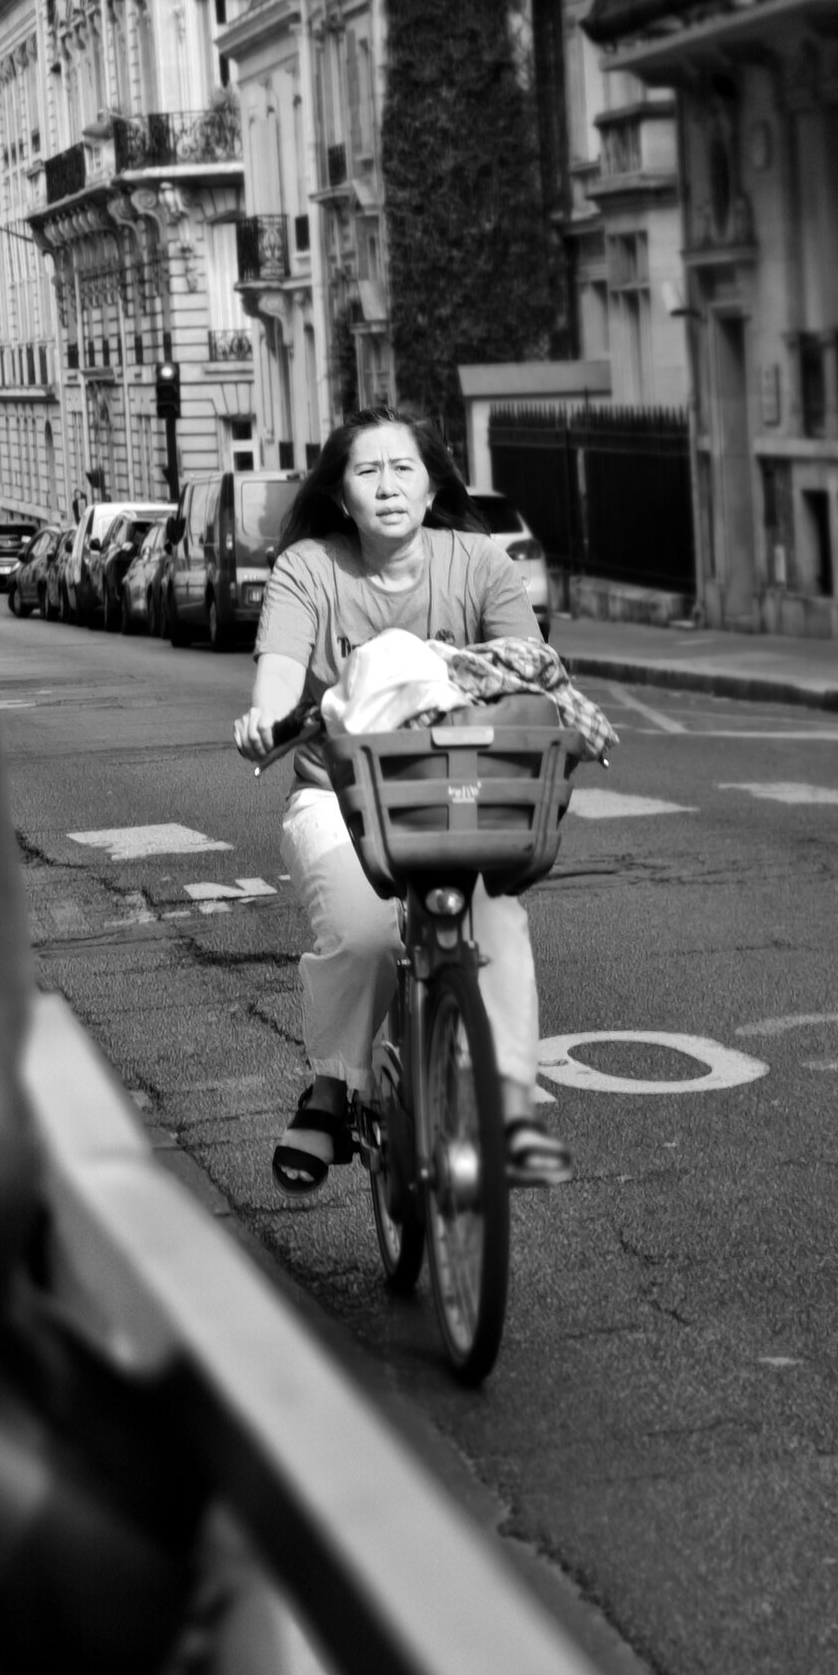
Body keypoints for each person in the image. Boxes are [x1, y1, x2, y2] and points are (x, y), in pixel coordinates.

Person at [231, 410, 574, 1193]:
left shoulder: (479, 562)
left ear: (431, 490)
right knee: (364, 932)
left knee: (500, 925)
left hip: (459, 791)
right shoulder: (309, 567)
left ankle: (511, 1113)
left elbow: (530, 665)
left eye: (403, 469)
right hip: (340, 794)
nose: (386, 486)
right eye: (366, 471)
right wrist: (264, 718)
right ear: (340, 495)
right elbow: (279, 675)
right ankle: (333, 1085)